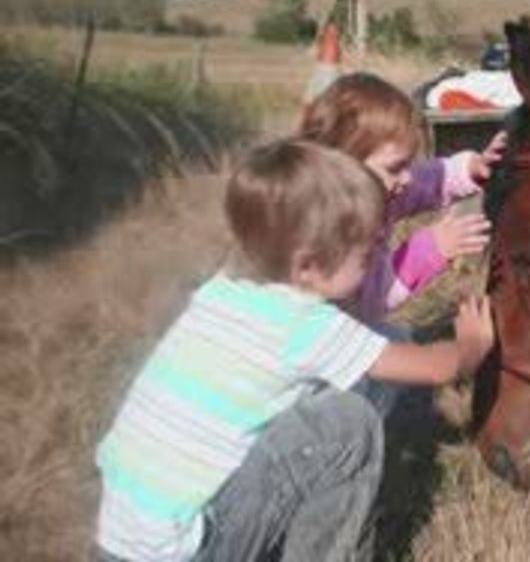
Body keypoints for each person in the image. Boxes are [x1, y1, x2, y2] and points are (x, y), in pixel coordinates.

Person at [94, 139, 494, 562]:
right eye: (365, 254)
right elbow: (428, 368)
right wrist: (469, 349)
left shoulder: (222, 290)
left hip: (120, 538)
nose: (373, 261)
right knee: (347, 425)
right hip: (191, 549)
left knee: (295, 412)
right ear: (307, 266)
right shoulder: (304, 324)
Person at [298, 72, 507, 329]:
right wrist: (432, 249)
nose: (407, 178)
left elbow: (428, 180)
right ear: (346, 163)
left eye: (407, 165)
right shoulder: (329, 229)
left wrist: (472, 168)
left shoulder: (375, 188)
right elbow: (373, 299)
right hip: (326, 342)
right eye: (396, 167)